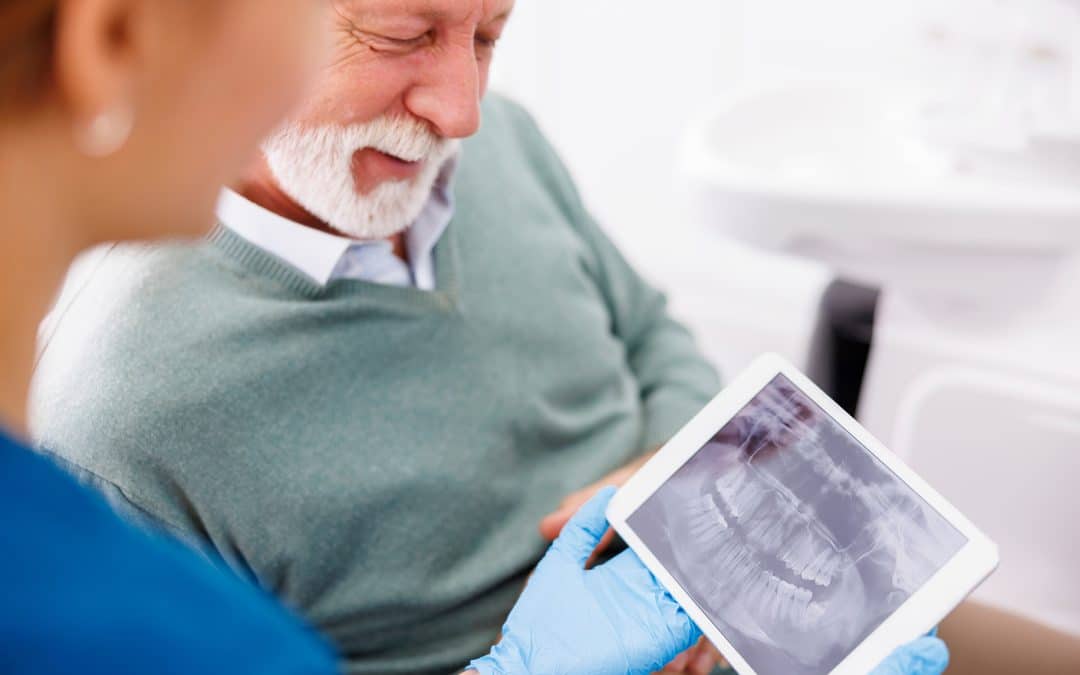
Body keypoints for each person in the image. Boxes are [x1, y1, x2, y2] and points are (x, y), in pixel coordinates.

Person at [9, 1, 951, 674]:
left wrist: (678, 490)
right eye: (403, 36)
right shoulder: (120, 419)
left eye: (490, 35)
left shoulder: (503, 142)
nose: (458, 109)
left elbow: (654, 334)